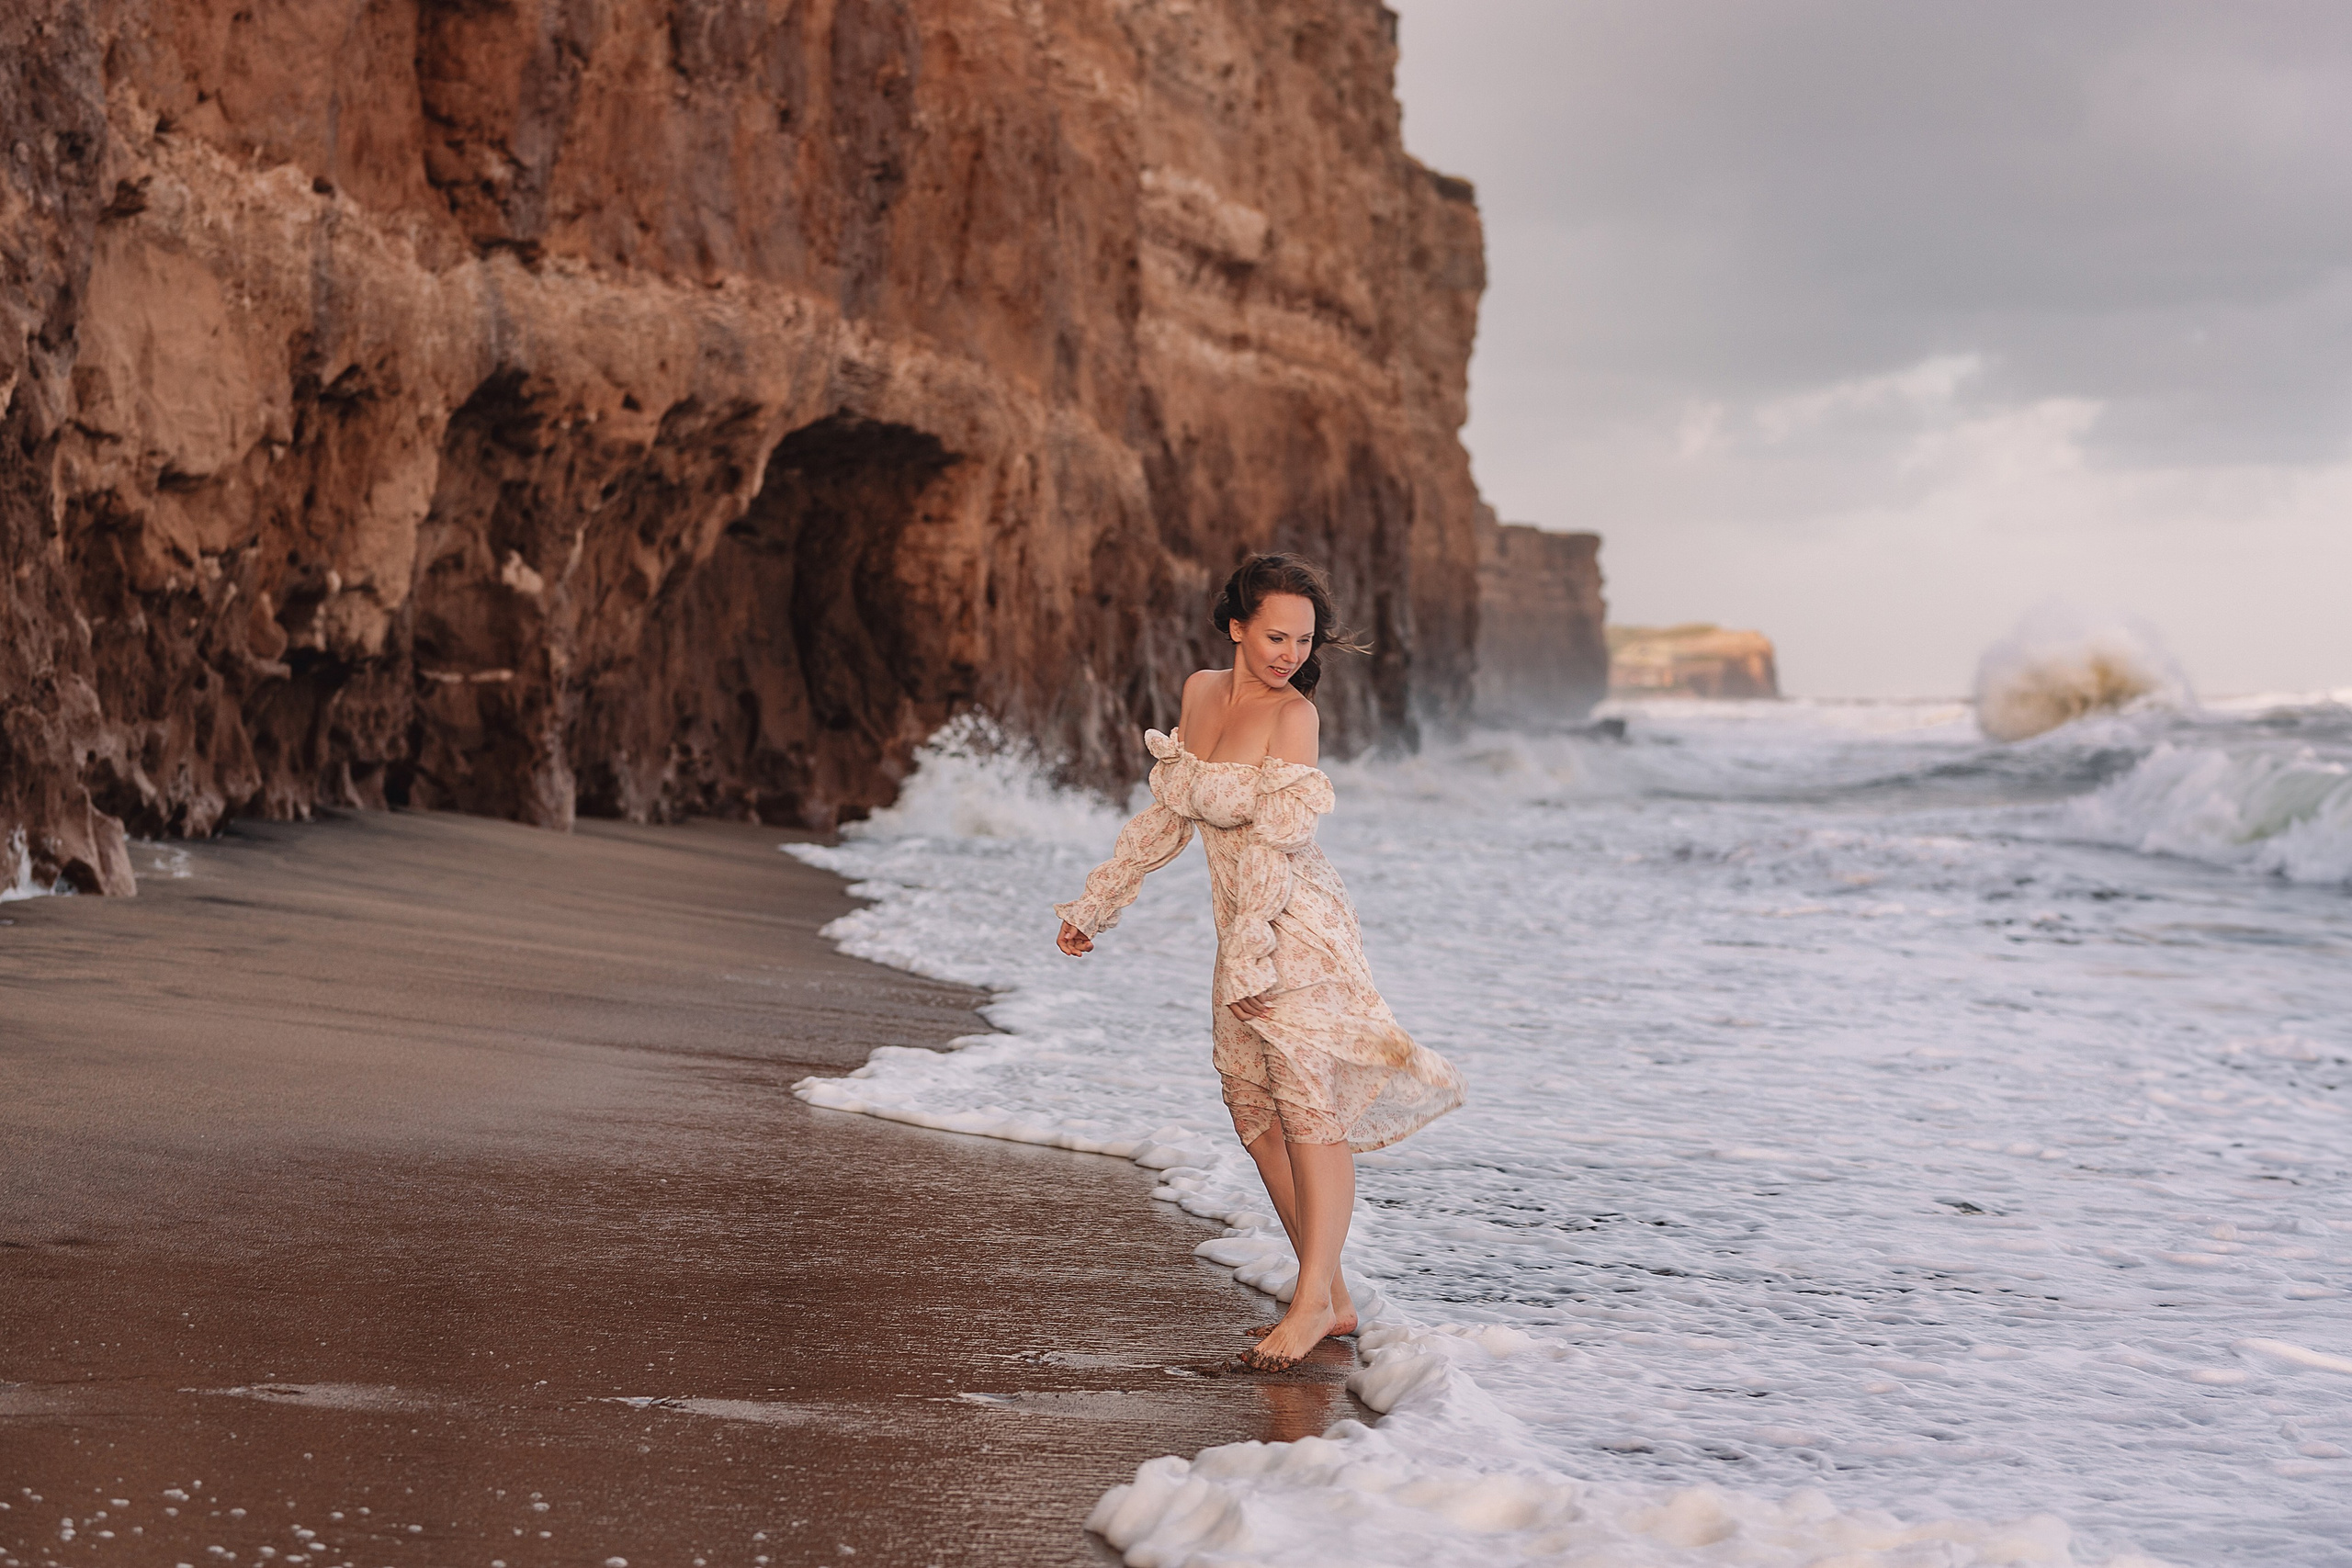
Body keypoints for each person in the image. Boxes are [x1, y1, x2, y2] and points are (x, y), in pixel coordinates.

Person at [1052, 553, 1465, 1371]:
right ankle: (1334, 1295)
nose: (1289, 652)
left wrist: (1250, 956)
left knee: (1311, 1111)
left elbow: (1278, 847)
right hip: (1237, 928)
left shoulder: (1295, 717)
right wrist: (1098, 903)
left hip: (1294, 928)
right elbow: (1172, 814)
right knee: (1254, 1114)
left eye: (1303, 639)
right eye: (1276, 634)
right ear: (1237, 625)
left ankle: (1311, 1302)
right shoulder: (1200, 692)